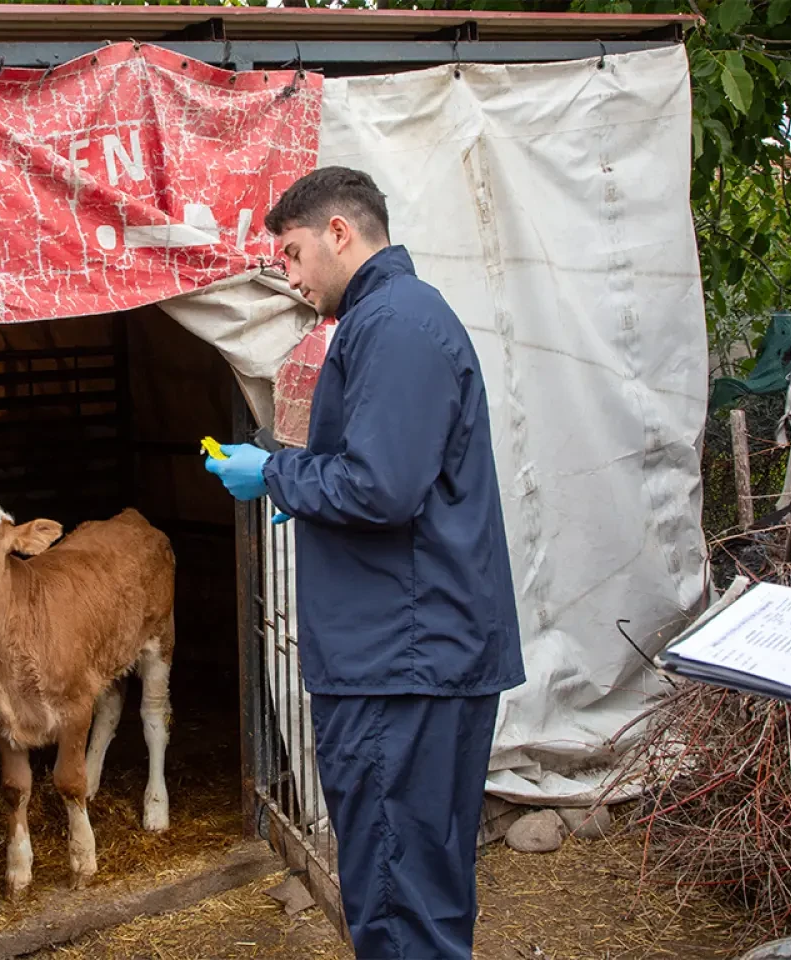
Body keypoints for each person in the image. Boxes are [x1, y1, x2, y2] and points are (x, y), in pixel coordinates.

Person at [204, 167, 525, 959]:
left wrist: (273, 472)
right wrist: (307, 488)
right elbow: (387, 474)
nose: (290, 274)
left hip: (400, 662)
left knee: (396, 897)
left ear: (339, 233)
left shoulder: (395, 323)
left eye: (293, 252)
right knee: (419, 886)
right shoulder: (394, 319)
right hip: (409, 651)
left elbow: (383, 488)